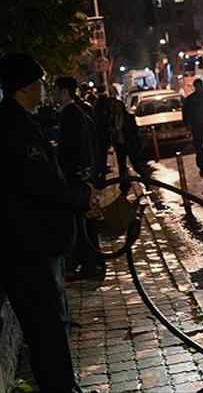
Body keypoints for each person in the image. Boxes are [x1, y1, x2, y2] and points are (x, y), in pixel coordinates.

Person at [0, 53, 98, 393]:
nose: (44, 88)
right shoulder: (14, 128)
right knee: (47, 329)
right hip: (30, 250)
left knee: (52, 327)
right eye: (39, 82)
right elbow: (42, 184)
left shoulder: (20, 121)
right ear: (24, 87)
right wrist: (83, 196)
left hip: (35, 246)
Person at [56, 76, 105, 281]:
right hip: (81, 175)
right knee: (84, 221)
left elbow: (78, 146)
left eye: (56, 90)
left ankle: (91, 263)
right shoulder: (73, 111)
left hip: (78, 176)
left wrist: (80, 174)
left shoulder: (72, 113)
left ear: (64, 92)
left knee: (83, 221)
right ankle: (91, 262)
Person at [110, 98, 147, 194]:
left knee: (136, 165)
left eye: (119, 106)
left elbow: (135, 131)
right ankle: (124, 186)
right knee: (122, 166)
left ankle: (146, 181)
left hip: (129, 143)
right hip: (119, 144)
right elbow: (111, 130)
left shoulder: (129, 117)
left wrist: (138, 143)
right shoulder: (113, 118)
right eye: (116, 107)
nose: (118, 108)